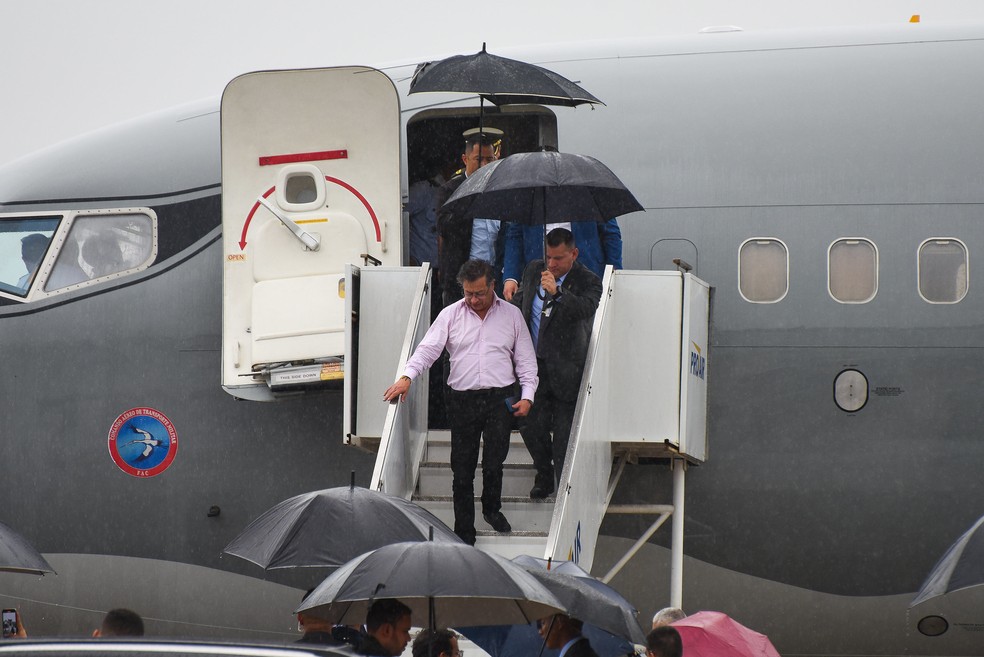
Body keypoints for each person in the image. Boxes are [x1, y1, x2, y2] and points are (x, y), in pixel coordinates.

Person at [384, 259, 537, 544]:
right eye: (468, 293)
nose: (473, 299)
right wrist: (408, 376)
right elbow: (428, 350)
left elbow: (526, 362)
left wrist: (527, 396)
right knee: (462, 469)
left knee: (494, 462)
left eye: (479, 293)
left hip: (499, 399)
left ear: (493, 285)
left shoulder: (512, 316)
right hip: (463, 400)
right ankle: (464, 529)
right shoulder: (451, 314)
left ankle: (492, 509)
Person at [511, 228, 602, 498]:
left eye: (559, 258)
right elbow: (523, 304)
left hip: (566, 370)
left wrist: (559, 292)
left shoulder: (588, 280)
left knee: (563, 437)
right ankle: (543, 472)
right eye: (549, 257)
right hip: (533, 368)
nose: (552, 264)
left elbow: (586, 309)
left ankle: (564, 492)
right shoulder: (533, 270)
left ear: (574, 254)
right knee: (528, 424)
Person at [436, 127, 503, 306]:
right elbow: (444, 227)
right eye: (478, 159)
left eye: (489, 159)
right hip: (461, 281)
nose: (484, 165)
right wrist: (471, 193)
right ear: (465, 159)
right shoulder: (450, 190)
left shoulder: (499, 191)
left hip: (493, 280)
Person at [501, 219, 622, 302]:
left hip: (585, 273)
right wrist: (511, 277)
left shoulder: (589, 185)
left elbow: (611, 234)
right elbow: (515, 235)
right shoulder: (528, 188)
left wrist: (614, 275)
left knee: (585, 329)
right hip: (540, 275)